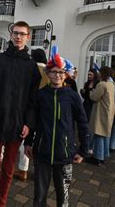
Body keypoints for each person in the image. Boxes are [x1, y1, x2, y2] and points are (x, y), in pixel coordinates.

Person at [0, 21, 41, 207]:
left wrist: (28, 123)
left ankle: (1, 204)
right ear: (11, 35)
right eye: (15, 33)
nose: (18, 36)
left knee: (7, 171)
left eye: (22, 33)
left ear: (28, 37)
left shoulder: (31, 66)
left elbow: (33, 100)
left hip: (16, 125)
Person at [24, 47, 88, 207]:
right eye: (53, 71)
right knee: (39, 196)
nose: (57, 75)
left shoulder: (72, 96)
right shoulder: (40, 94)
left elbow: (82, 122)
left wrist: (83, 149)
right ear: (47, 73)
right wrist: (28, 142)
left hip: (65, 153)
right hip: (42, 153)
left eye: (60, 72)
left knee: (63, 196)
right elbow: (33, 121)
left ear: (66, 74)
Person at [14, 48, 50, 181]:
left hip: (30, 108)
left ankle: (23, 169)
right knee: (41, 140)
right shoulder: (49, 71)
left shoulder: (30, 69)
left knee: (26, 138)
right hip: (45, 110)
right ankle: (39, 171)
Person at [86, 66, 115, 166]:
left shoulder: (102, 84)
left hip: (100, 112)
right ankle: (102, 156)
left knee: (98, 134)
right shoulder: (111, 84)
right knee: (104, 135)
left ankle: (97, 157)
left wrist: (90, 91)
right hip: (108, 112)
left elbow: (94, 97)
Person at [80, 69, 99, 154]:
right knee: (85, 125)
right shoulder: (87, 83)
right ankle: (85, 144)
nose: (89, 76)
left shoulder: (98, 84)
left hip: (93, 106)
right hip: (86, 105)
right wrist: (82, 92)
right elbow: (85, 96)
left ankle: (90, 146)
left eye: (91, 75)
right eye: (88, 75)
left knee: (90, 127)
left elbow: (95, 97)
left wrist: (90, 91)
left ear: (95, 75)